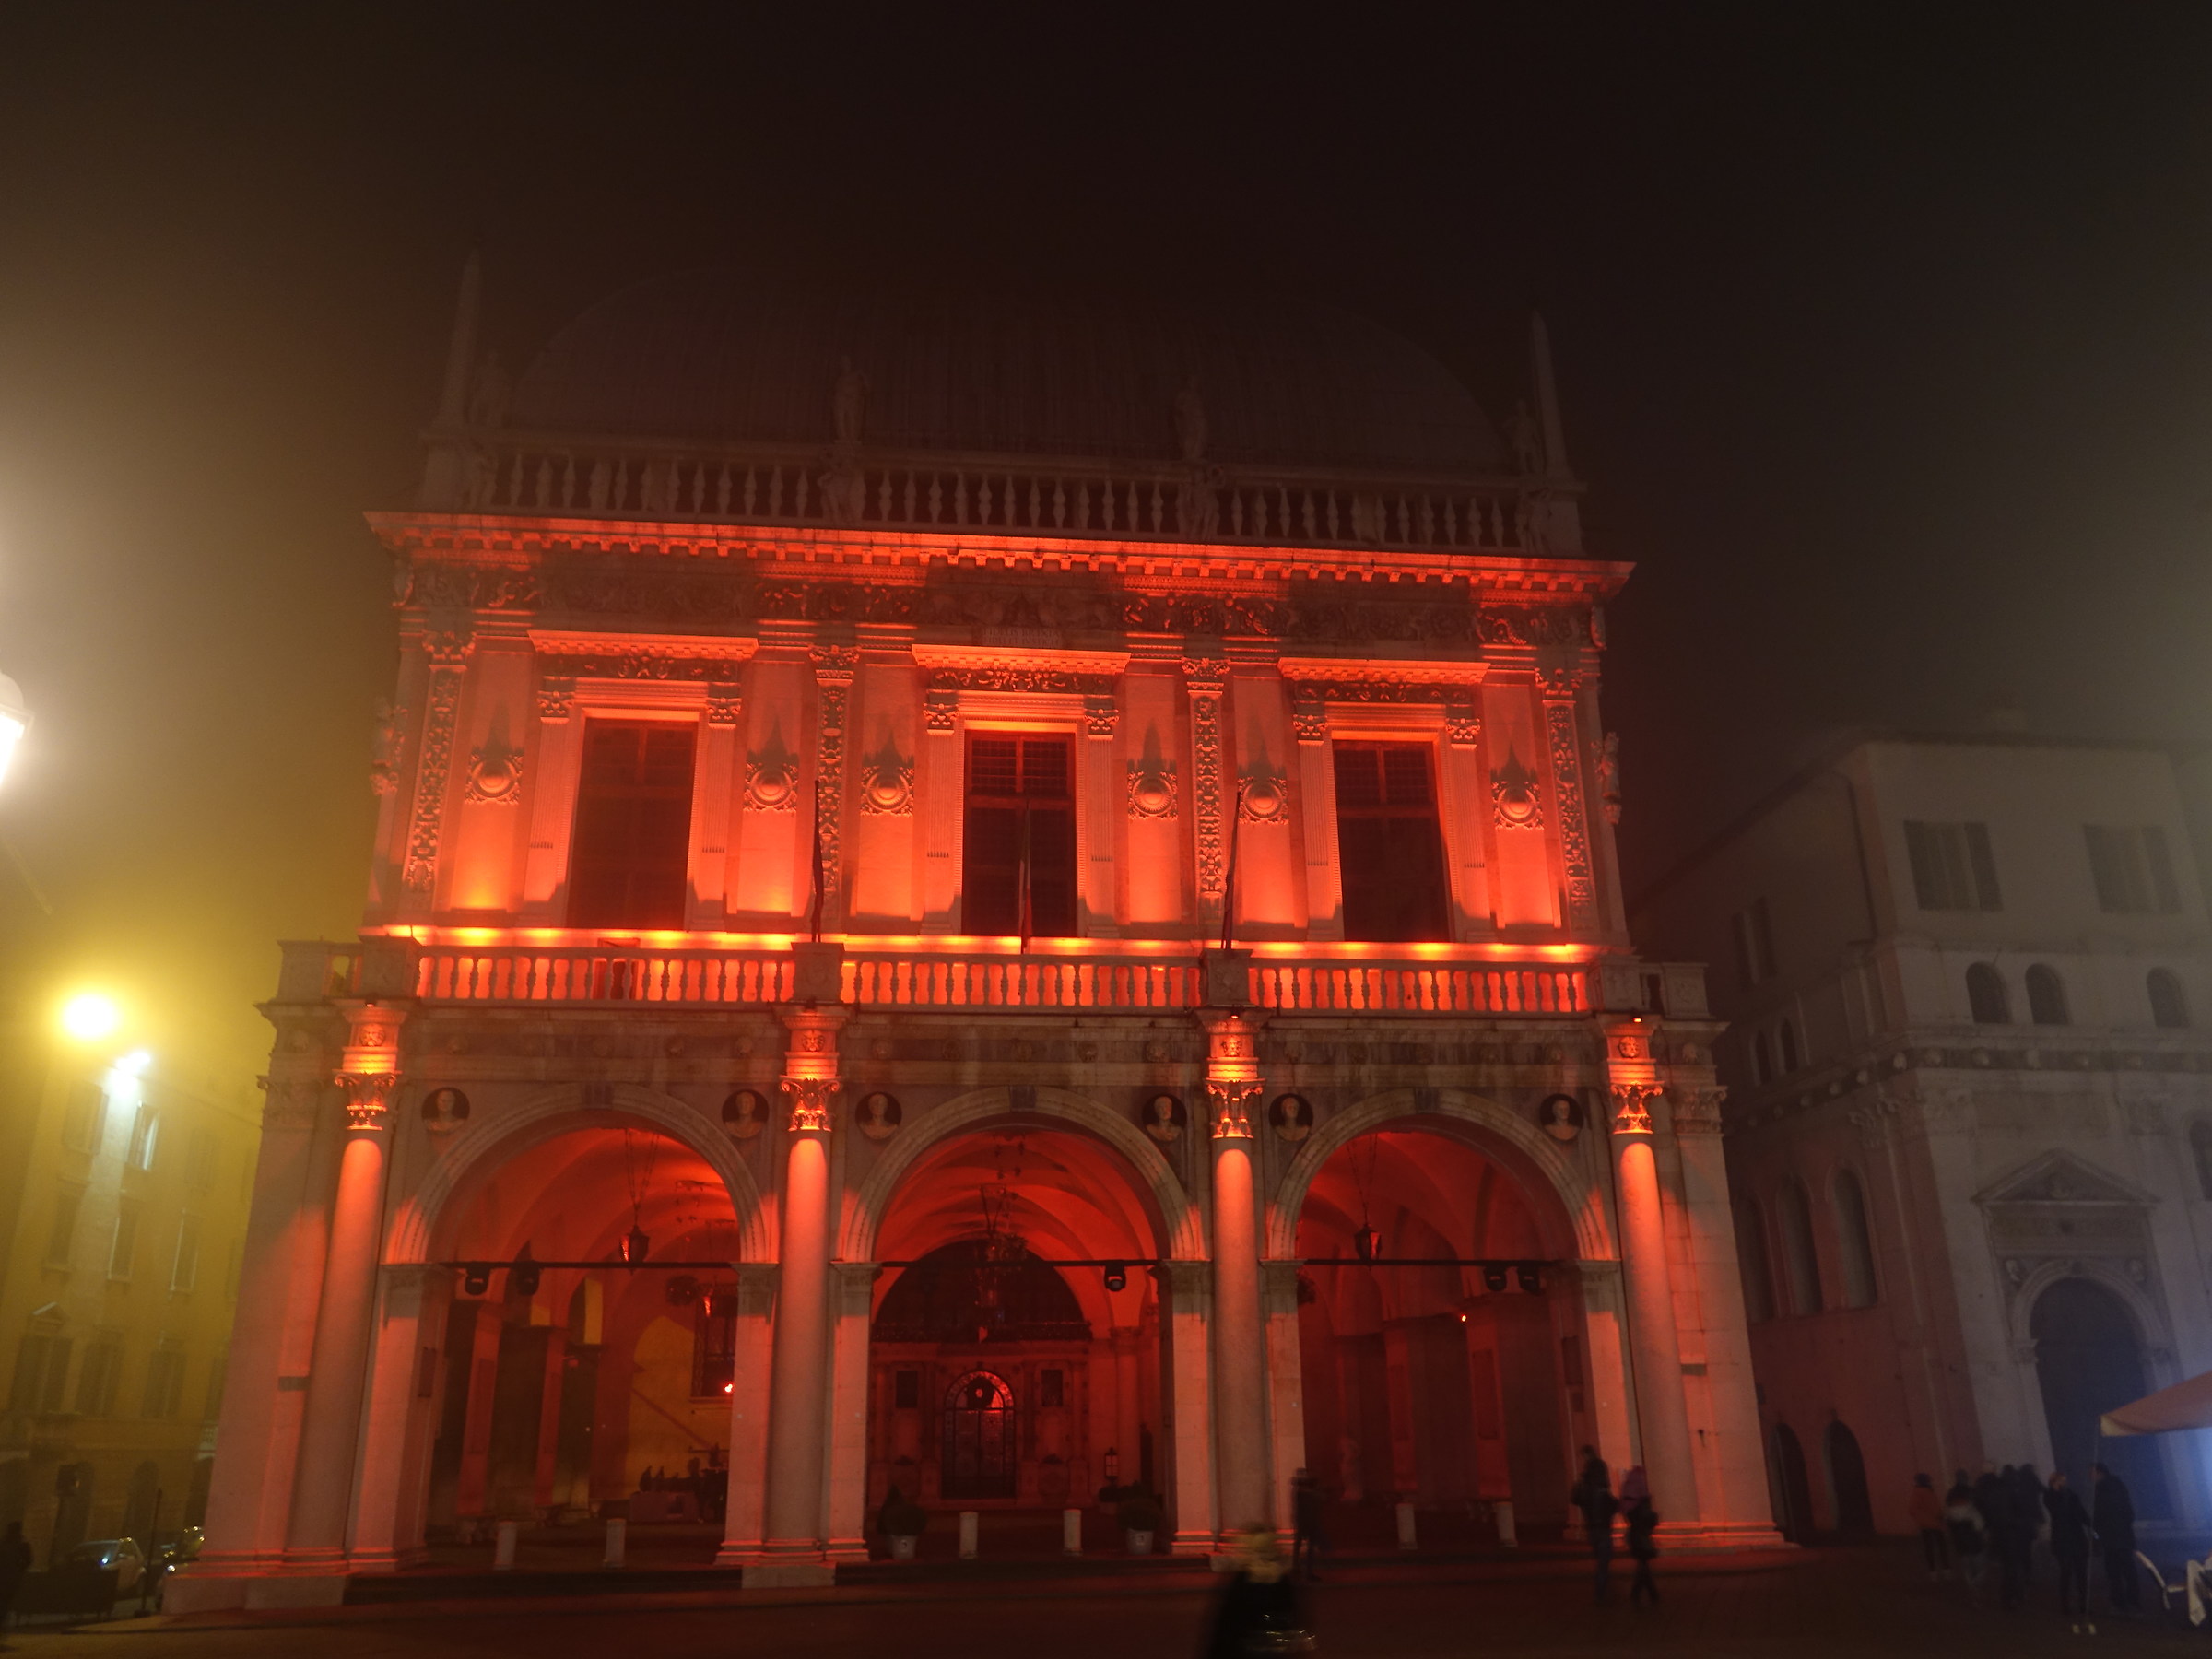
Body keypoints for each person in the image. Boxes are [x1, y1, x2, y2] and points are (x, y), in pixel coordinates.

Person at [1204, 1524, 1303, 1659]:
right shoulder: (1281, 1578)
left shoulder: (1244, 1580)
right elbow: (1293, 1616)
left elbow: (1226, 1626)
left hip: (1246, 1651)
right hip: (1276, 1650)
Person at [2044, 1472, 2094, 1631]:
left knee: (2081, 1573)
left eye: (2065, 1481)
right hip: (2063, 1540)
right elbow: (2056, 1511)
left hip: (2076, 1538)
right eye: (2061, 1481)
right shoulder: (2050, 1496)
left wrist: (2091, 1525)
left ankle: (2083, 1604)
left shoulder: (2071, 1495)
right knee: (2066, 1572)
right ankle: (2065, 1603)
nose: (2064, 1483)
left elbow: (2081, 1513)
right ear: (2054, 1482)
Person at [1572, 1445, 1618, 1606]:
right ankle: (1602, 1588)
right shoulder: (1603, 1493)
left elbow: (1575, 1500)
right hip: (1604, 1527)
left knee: (1600, 1558)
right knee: (1604, 1560)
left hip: (1592, 1527)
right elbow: (1614, 1506)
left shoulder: (1586, 1489)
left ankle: (1603, 1587)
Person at [2092, 1464, 2138, 1616]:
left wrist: (2098, 1533)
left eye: (2092, 1473)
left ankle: (2120, 1603)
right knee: (2128, 1570)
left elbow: (2099, 1515)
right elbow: (2128, 1512)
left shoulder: (2102, 1491)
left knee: (2115, 1572)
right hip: (2122, 1536)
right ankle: (2133, 1601)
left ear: (2100, 1473)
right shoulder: (2118, 1487)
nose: (2090, 1477)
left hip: (2112, 1538)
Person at [1944, 1473, 1988, 1599]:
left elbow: (1948, 1523)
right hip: (1975, 1542)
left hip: (1960, 1543)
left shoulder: (1950, 1505)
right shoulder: (1972, 1506)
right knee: (1980, 1567)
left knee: (1967, 1567)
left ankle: (1972, 1588)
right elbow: (1980, 1525)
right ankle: (1976, 1586)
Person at [1623, 1478, 1661, 1606]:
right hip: (1641, 1537)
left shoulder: (1631, 1506)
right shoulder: (1642, 1505)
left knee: (1643, 1564)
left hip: (1636, 1536)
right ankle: (1645, 1592)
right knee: (1643, 1565)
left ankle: (1646, 1592)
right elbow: (1651, 1519)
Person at [1908, 1473, 1948, 1579]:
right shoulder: (1928, 1492)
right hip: (1935, 1523)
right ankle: (1946, 1569)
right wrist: (1939, 1517)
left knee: (1929, 1548)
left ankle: (1933, 1571)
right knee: (1941, 1547)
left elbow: (1912, 1509)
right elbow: (1936, 1507)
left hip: (1925, 1525)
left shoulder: (1917, 1493)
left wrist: (1922, 1519)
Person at [1289, 1468, 1326, 1582]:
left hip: (1302, 1523)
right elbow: (1320, 1500)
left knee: (1299, 1544)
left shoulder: (1298, 1493)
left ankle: (1296, 1567)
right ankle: (1307, 1572)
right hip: (1310, 1524)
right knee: (1309, 1549)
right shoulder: (1308, 1494)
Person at [0, 1522, 29, 1631]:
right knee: (4, 1602)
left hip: (5, 1577)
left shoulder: (5, 1542)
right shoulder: (22, 1543)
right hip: (11, 1578)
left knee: (3, 1601)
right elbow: (28, 1560)